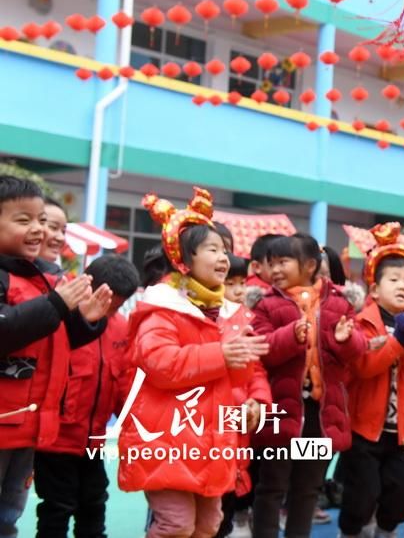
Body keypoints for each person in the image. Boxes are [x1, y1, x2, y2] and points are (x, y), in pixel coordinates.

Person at [118, 188, 269, 538]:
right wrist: (224, 354)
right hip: (166, 438)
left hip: (212, 437)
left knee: (208, 525)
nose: (223, 258)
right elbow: (160, 363)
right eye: (212, 249)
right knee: (176, 525)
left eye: (224, 250)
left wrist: (253, 398)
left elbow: (241, 373)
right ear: (183, 259)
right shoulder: (162, 308)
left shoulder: (224, 312)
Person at [0, 177, 110, 536]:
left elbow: (50, 340)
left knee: (10, 511)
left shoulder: (44, 278)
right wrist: (57, 304)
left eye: (42, 221)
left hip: (27, 424)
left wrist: (84, 323)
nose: (38, 230)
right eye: (24, 220)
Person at [250, 234, 365, 538]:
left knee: (306, 487)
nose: (274, 269)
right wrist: (290, 335)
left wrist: (345, 339)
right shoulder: (266, 305)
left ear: (311, 265)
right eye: (270, 263)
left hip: (320, 416)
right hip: (280, 411)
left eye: (283, 262)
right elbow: (262, 349)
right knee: (272, 485)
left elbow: (358, 349)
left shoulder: (340, 303)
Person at [340, 223, 404, 538]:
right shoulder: (362, 322)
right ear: (374, 289)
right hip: (363, 430)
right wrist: (398, 343)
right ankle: (353, 532)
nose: (402, 286)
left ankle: (385, 531)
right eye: (394, 279)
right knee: (362, 495)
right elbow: (363, 367)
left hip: (401, 433)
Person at [33, 254, 139, 538]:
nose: (108, 310)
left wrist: (135, 421)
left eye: (115, 306)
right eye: (105, 301)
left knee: (94, 505)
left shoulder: (121, 327)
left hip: (94, 441)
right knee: (57, 508)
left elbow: (123, 381)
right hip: (56, 441)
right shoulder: (61, 318)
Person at [215, 254, 271, 538]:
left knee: (222, 510)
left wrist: (258, 401)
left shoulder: (244, 319)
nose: (238, 290)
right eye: (230, 283)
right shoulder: (205, 318)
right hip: (213, 426)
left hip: (240, 428)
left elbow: (256, 370)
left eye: (241, 282)